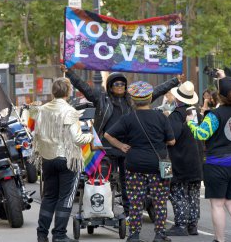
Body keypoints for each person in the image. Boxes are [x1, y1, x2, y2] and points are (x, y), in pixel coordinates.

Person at [62, 64, 184, 216]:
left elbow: (156, 91)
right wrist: (70, 73)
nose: (119, 86)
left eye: (122, 84)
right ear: (110, 86)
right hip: (105, 146)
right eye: (116, 83)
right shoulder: (101, 98)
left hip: (128, 147)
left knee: (127, 183)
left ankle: (128, 214)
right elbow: (83, 87)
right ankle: (102, 211)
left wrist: (174, 81)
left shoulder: (133, 100)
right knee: (103, 181)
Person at [186, 70, 231, 242]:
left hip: (217, 164)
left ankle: (220, 239)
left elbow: (201, 134)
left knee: (217, 204)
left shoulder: (214, 116)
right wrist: (224, 79)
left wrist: (191, 122)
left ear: (219, 97)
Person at [104, 81, 176, 242]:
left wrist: (121, 146)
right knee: (160, 200)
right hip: (159, 165)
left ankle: (134, 234)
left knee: (135, 200)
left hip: (134, 164)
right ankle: (159, 234)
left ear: (133, 100)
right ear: (150, 98)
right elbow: (172, 142)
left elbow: (108, 135)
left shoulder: (128, 118)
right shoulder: (161, 117)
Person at [32, 77, 94, 242]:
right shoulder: (70, 111)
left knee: (49, 197)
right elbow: (77, 138)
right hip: (67, 159)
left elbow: (36, 134)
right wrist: (91, 136)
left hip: (47, 158)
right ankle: (59, 235)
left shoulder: (43, 110)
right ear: (68, 92)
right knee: (66, 197)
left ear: (53, 92)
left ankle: (41, 234)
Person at [166, 81, 204, 237]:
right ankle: (192, 225)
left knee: (179, 192)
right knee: (193, 194)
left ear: (178, 98)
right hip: (197, 160)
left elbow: (171, 139)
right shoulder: (198, 115)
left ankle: (181, 224)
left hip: (180, 161)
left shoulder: (176, 115)